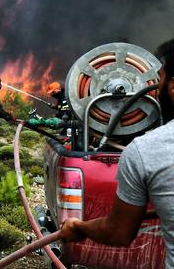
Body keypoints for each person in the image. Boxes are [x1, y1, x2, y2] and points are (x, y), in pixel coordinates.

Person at [61, 38, 174, 267]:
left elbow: (119, 232)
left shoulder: (146, 151)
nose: (154, 85)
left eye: (159, 77)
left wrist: (78, 226)